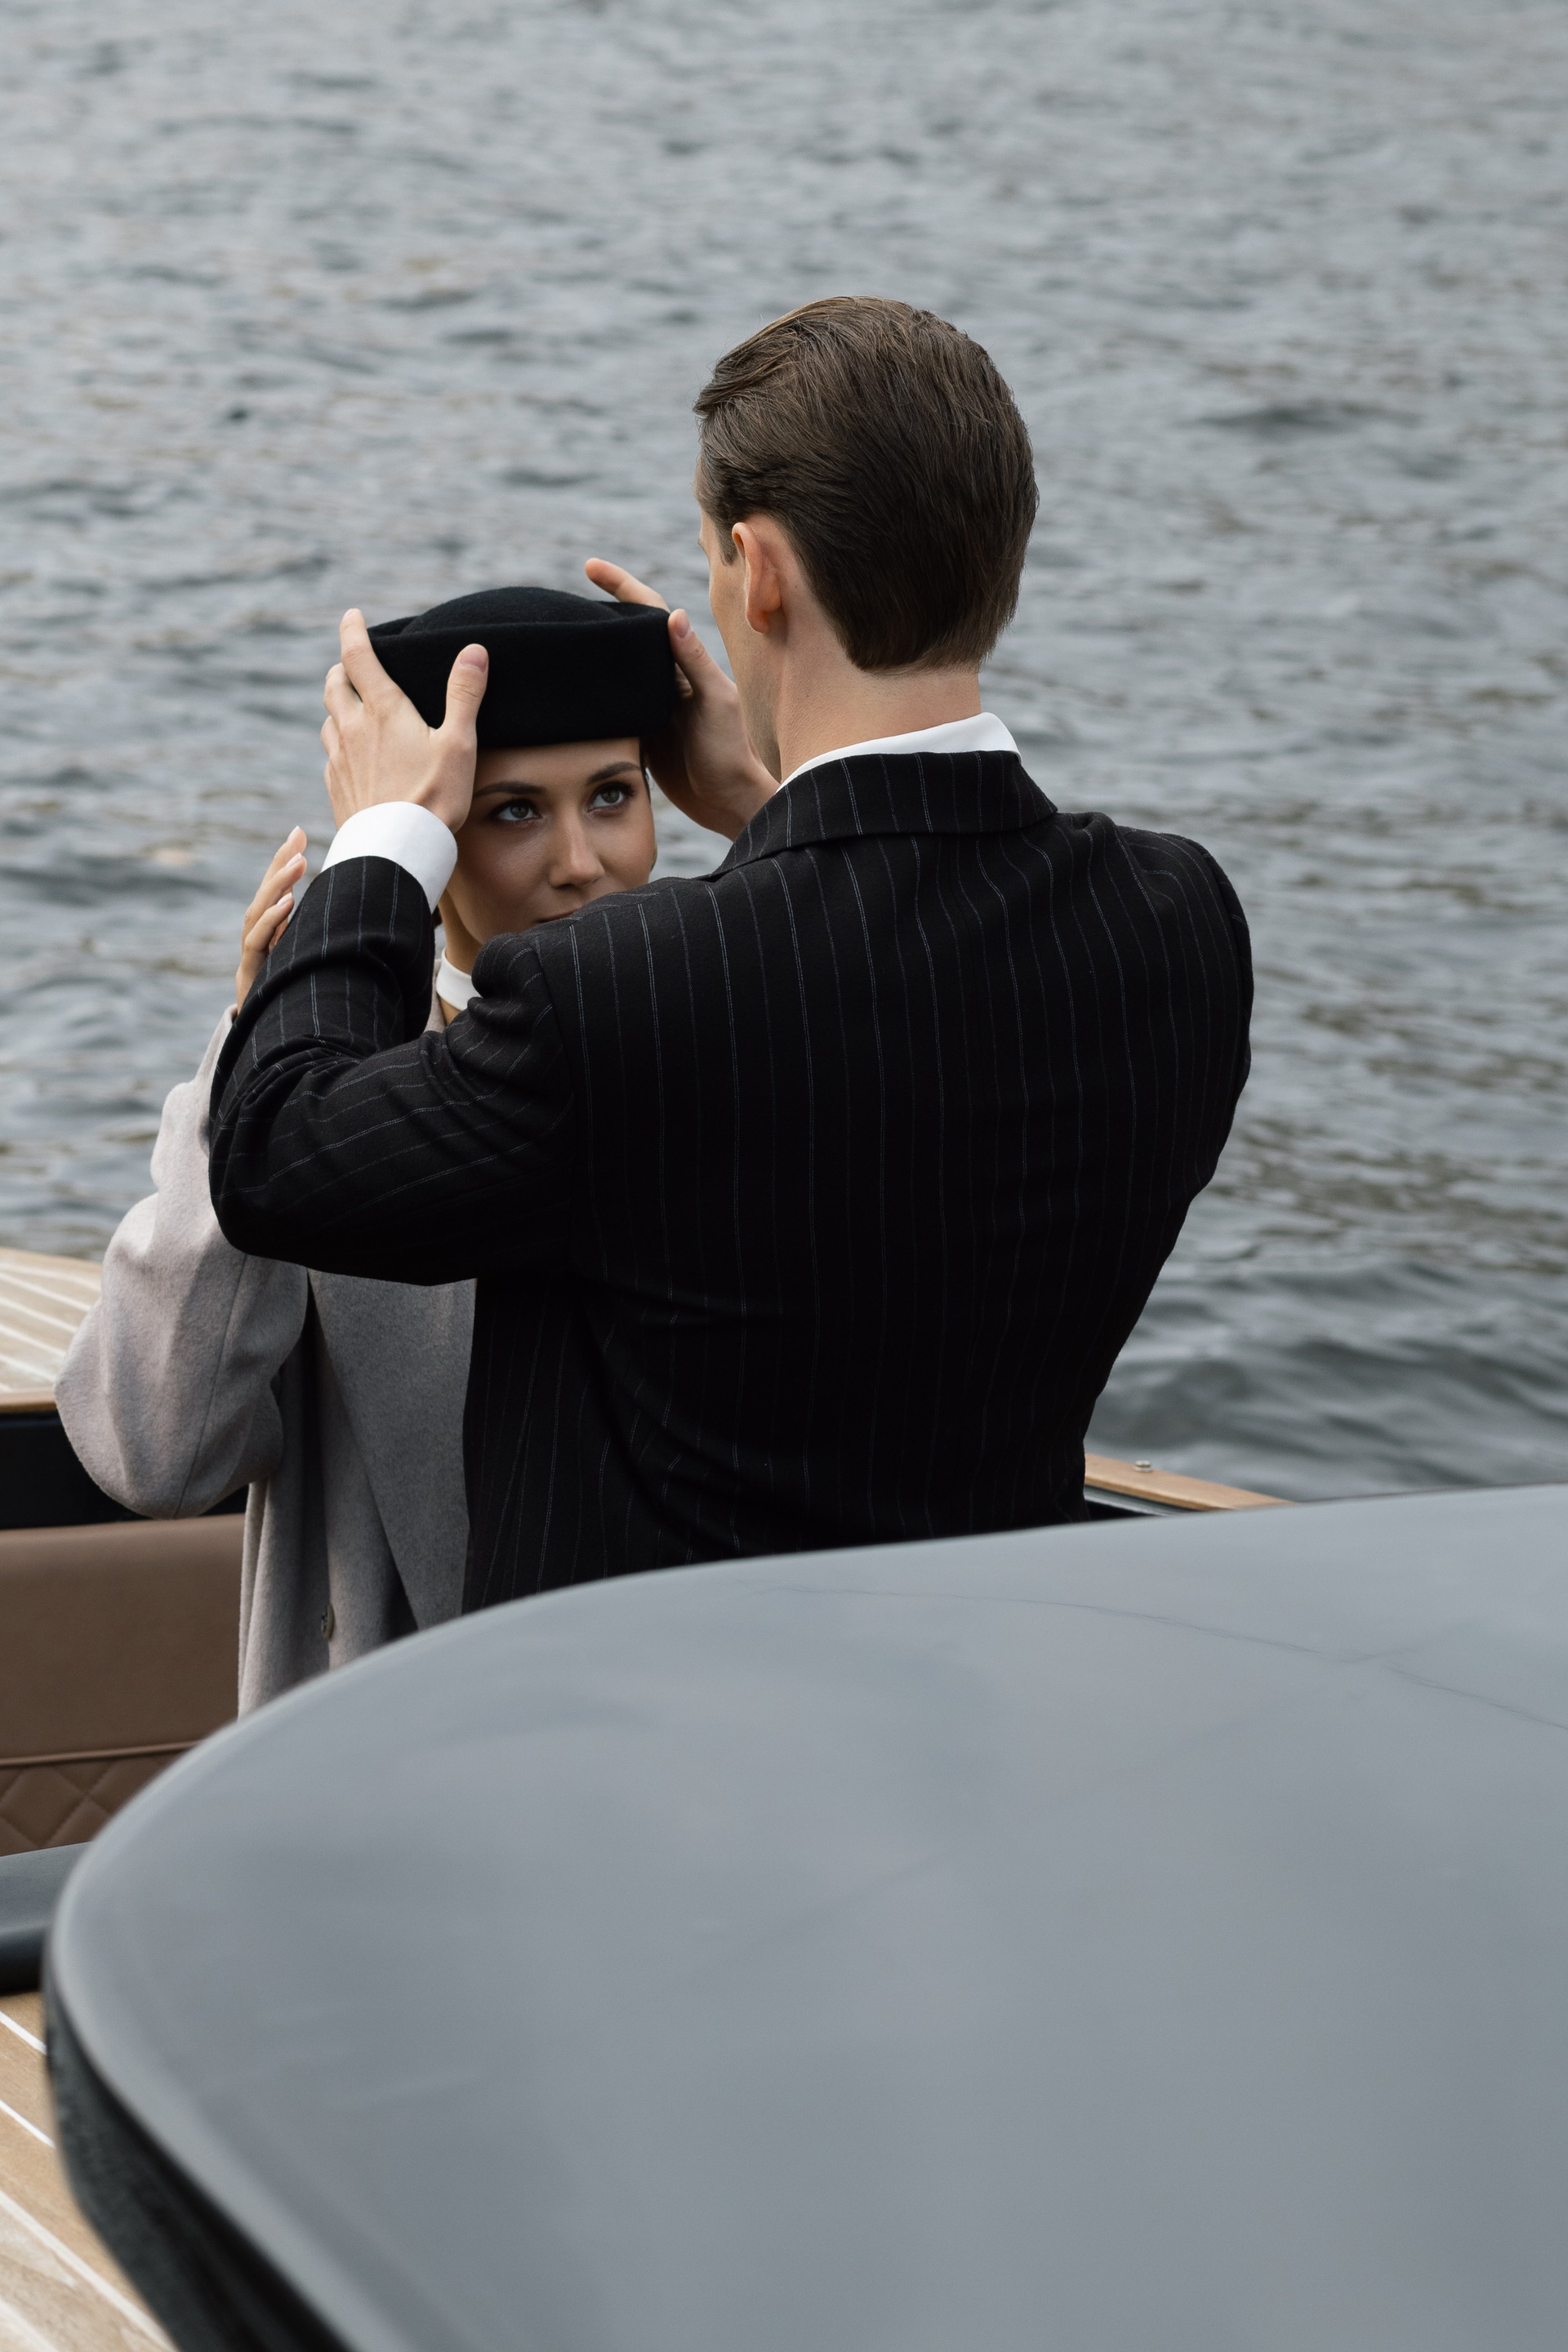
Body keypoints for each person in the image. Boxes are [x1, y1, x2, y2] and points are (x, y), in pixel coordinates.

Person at [208, 296, 1254, 1610]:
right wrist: (773, 812)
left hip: (652, 1730)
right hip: (995, 1696)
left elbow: (278, 1154)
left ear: (757, 573)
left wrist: (386, 838)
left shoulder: (625, 996)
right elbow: (885, 1008)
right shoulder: (1176, 925)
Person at [56, 588, 672, 1708]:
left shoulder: (724, 1034)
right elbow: (155, 1450)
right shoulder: (326, 1097)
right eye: (514, 812)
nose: (582, 861)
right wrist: (251, 1056)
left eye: (612, 796)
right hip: (369, 1757)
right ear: (428, 836)